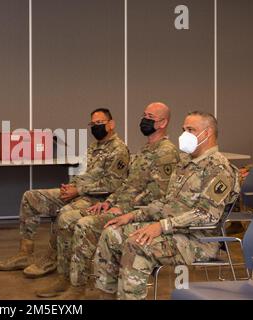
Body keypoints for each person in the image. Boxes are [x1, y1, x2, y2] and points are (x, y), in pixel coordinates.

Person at [36, 102, 179, 298]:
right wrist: (110, 202)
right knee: (66, 218)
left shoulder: (166, 152)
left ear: (163, 123)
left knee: (84, 224)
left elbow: (156, 195)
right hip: (120, 206)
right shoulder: (147, 149)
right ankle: (66, 279)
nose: (144, 120)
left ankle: (77, 287)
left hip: (137, 213)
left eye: (150, 117)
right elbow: (128, 185)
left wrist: (122, 209)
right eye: (144, 115)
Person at [93, 111, 239, 300]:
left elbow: (207, 214)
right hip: (173, 231)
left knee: (136, 244)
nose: (184, 134)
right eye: (183, 129)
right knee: (111, 233)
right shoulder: (185, 162)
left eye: (190, 130)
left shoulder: (219, 168)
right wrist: (134, 216)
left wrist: (161, 226)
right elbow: (166, 203)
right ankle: (106, 295)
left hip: (198, 239)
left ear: (208, 133)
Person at [0, 108, 130, 279]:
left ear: (111, 124)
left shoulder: (119, 150)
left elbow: (113, 184)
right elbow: (83, 174)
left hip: (97, 199)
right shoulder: (94, 147)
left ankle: (52, 259)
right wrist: (70, 187)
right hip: (78, 192)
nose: (95, 127)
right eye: (92, 124)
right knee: (30, 197)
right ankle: (25, 254)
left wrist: (78, 190)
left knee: (65, 213)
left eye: (100, 123)